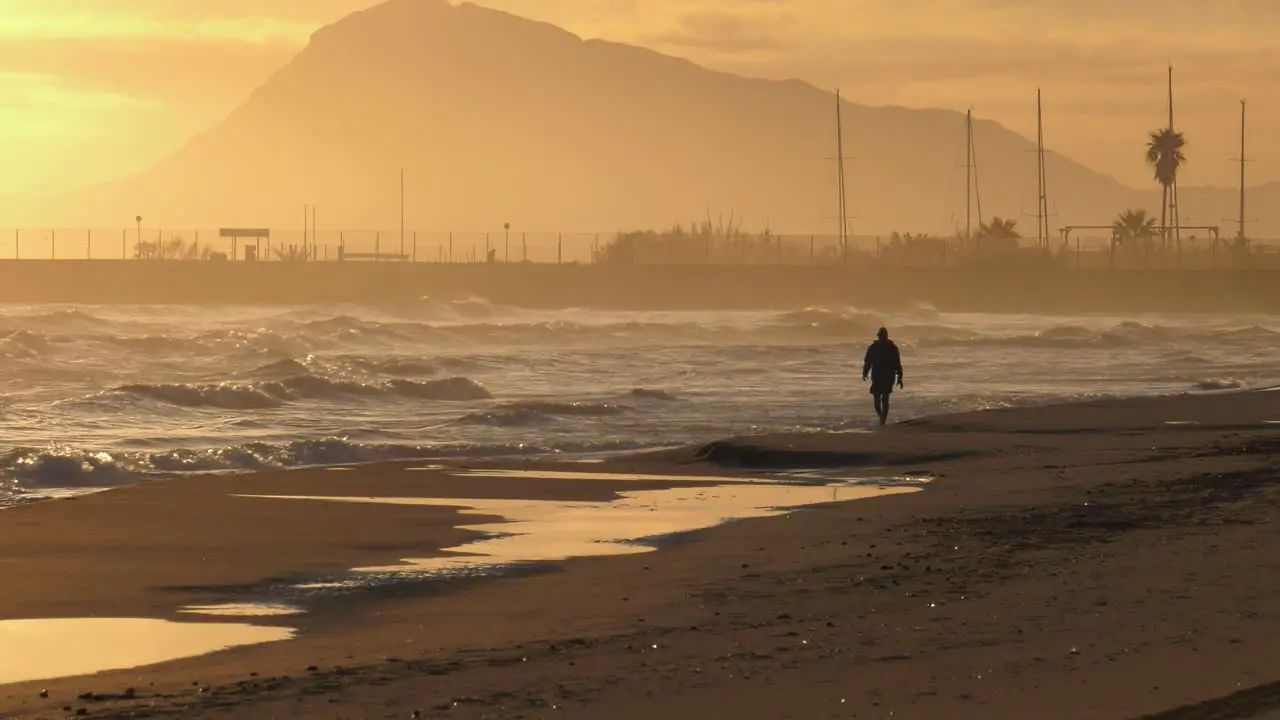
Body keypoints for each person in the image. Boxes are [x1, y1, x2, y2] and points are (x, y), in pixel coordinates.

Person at [862, 327, 903, 425]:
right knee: (876, 398)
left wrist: (900, 377)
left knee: (885, 398)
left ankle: (883, 420)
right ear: (878, 336)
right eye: (881, 335)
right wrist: (865, 372)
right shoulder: (873, 347)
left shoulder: (892, 347)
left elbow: (897, 363)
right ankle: (881, 417)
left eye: (884, 335)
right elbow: (868, 361)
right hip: (877, 375)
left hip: (888, 375)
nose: (883, 337)